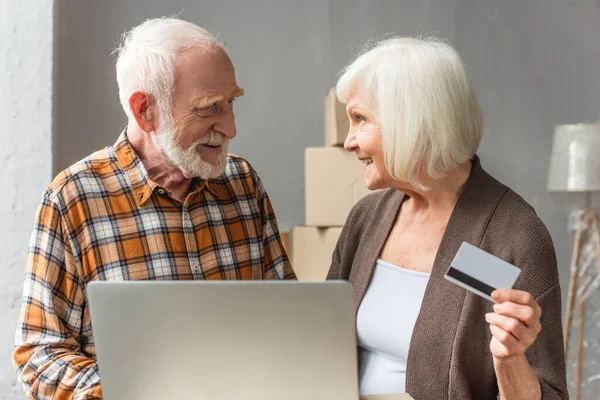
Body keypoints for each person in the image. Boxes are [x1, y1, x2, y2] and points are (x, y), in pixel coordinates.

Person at [13, 17, 295, 399]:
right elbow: (40, 355)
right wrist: (134, 391)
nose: (230, 127)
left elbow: (288, 314)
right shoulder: (72, 200)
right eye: (208, 108)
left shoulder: (242, 182)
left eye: (230, 103)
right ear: (145, 110)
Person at [327, 37, 568, 399]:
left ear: (410, 123)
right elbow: (322, 342)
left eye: (360, 119)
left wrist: (509, 361)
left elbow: (547, 391)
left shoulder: (511, 236)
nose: (349, 142)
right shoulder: (367, 219)